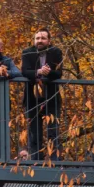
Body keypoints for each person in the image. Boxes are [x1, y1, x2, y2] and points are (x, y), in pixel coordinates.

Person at [19, 28, 63, 158]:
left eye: (43, 38)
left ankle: (55, 162)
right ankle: (36, 161)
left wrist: (48, 72)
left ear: (49, 41)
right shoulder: (27, 53)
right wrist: (38, 72)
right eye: (37, 38)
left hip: (51, 98)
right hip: (32, 99)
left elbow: (59, 73)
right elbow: (24, 71)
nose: (40, 41)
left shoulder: (56, 52)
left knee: (53, 131)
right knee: (34, 133)